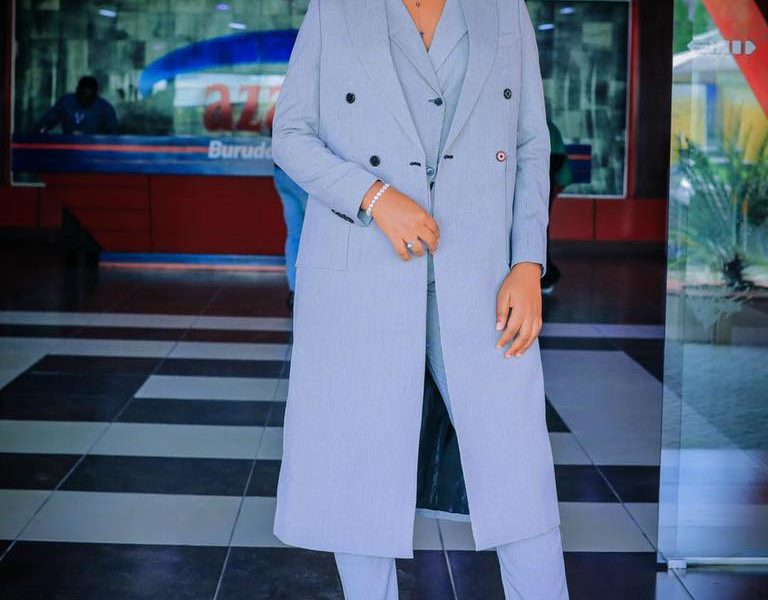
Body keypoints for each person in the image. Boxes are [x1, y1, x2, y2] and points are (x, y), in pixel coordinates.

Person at [270, 0, 569, 598]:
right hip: (363, 266)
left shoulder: (504, 10)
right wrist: (374, 196)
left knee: (518, 466)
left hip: (484, 274)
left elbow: (532, 143)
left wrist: (527, 262)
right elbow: (290, 136)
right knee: (360, 467)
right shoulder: (335, 9)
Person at [541, 116, 572, 294]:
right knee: (539, 229)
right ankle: (544, 277)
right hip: (545, 185)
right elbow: (564, 173)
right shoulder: (551, 128)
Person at [272, 163, 309, 310]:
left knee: (294, 236)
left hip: (281, 173)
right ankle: (313, 291)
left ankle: (294, 292)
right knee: (317, 235)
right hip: (301, 174)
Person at [35, 76, 119, 135]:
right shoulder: (65, 102)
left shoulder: (105, 108)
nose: (84, 99)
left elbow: (112, 135)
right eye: (82, 95)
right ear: (77, 90)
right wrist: (41, 133)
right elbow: (45, 123)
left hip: (95, 148)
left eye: (88, 96)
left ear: (95, 94)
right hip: (67, 147)